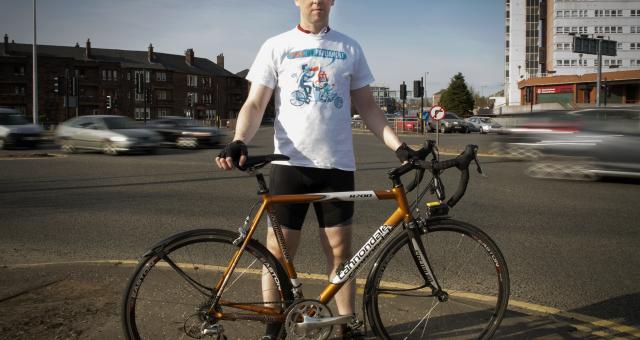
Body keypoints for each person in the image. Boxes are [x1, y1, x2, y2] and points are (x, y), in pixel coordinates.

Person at [215, 0, 417, 338]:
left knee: (341, 253)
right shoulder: (276, 45)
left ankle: (346, 327)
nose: (316, 1)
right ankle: (273, 329)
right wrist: (239, 139)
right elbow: (254, 102)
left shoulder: (349, 47)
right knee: (278, 255)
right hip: (289, 166)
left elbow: (368, 107)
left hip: (337, 165)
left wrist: (400, 147)